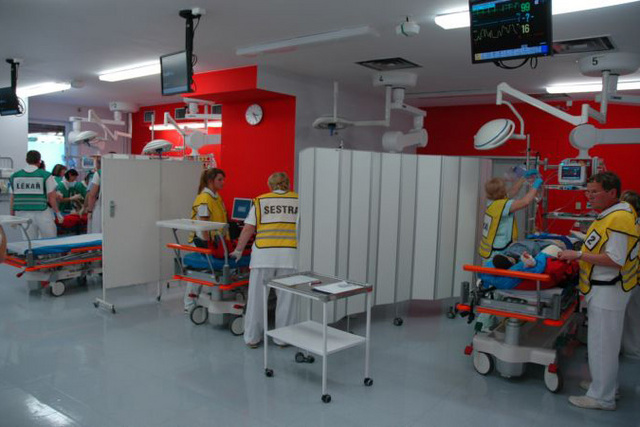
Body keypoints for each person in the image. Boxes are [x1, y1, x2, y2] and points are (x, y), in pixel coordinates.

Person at [558, 172, 638, 411]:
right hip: (605, 289)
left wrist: (578, 254)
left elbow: (615, 259)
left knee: (602, 346)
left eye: (594, 192)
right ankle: (606, 387)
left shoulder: (619, 218)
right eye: (588, 191)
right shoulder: (613, 215)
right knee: (605, 345)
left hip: (609, 290)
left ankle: (602, 397)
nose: (589, 196)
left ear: (611, 192)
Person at [231, 172, 298, 348]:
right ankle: (283, 338)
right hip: (289, 256)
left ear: (270, 185)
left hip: (263, 256)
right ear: (288, 184)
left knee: (257, 299)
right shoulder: (298, 201)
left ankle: (252, 337)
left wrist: (238, 250)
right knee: (287, 299)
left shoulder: (260, 201)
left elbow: (248, 229)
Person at [183, 168, 228, 312]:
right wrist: (208, 244)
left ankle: (199, 300)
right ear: (210, 181)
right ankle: (189, 304)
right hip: (201, 241)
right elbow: (203, 224)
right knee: (198, 274)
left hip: (214, 241)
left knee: (206, 274)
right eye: (219, 180)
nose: (223, 182)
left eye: (223, 179)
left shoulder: (216, 197)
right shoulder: (204, 198)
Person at [478, 170, 543, 260]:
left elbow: (513, 191)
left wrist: (523, 178)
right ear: (502, 191)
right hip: (497, 253)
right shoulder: (501, 205)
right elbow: (525, 202)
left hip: (490, 251)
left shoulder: (492, 202)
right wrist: (535, 186)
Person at [9, 150, 63, 240]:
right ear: (39, 161)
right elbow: (51, 198)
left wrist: (12, 216)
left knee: (29, 242)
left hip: (23, 214)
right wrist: (58, 213)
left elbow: (12, 199)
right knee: (50, 241)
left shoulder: (15, 176)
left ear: (26, 160)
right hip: (43, 213)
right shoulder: (46, 175)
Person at [620, 190, 640, 359]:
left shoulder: (630, 224)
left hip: (632, 278)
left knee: (631, 315)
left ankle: (632, 352)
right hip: (632, 277)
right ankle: (631, 350)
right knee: (632, 316)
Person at [85, 157, 102, 233]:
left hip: (100, 207)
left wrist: (89, 211)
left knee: (96, 232)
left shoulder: (98, 174)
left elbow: (91, 195)